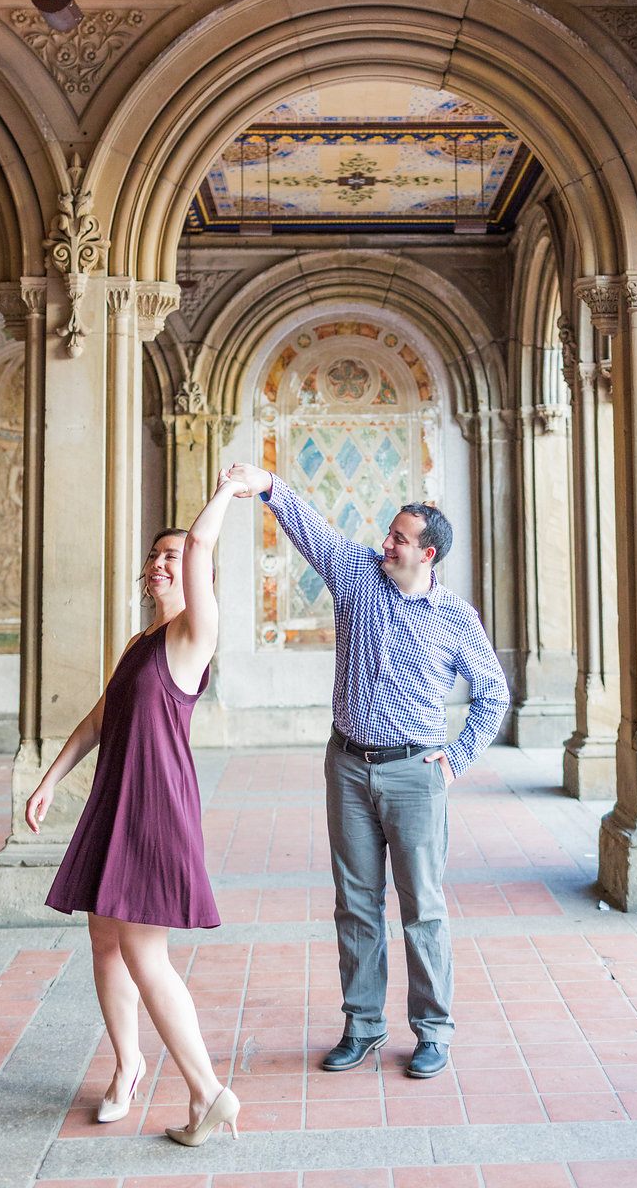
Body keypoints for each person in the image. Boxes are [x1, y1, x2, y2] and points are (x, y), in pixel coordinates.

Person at [226, 463, 510, 1080]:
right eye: (388, 534)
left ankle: (432, 1031)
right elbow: (313, 533)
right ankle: (362, 1027)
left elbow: (492, 693)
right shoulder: (359, 578)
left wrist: (455, 759)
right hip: (349, 767)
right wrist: (270, 486)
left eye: (398, 538)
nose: (386, 543)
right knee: (355, 904)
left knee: (422, 907)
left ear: (426, 553)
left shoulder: (456, 617)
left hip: (415, 773)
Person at [25, 472, 240, 1149]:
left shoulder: (193, 635)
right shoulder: (140, 645)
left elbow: (205, 546)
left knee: (146, 954)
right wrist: (50, 778)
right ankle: (127, 1068)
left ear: (198, 573)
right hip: (116, 799)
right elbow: (99, 718)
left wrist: (232, 491)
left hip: (156, 808)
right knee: (103, 938)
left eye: (171, 556)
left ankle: (208, 1093)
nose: (159, 563)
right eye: (154, 555)